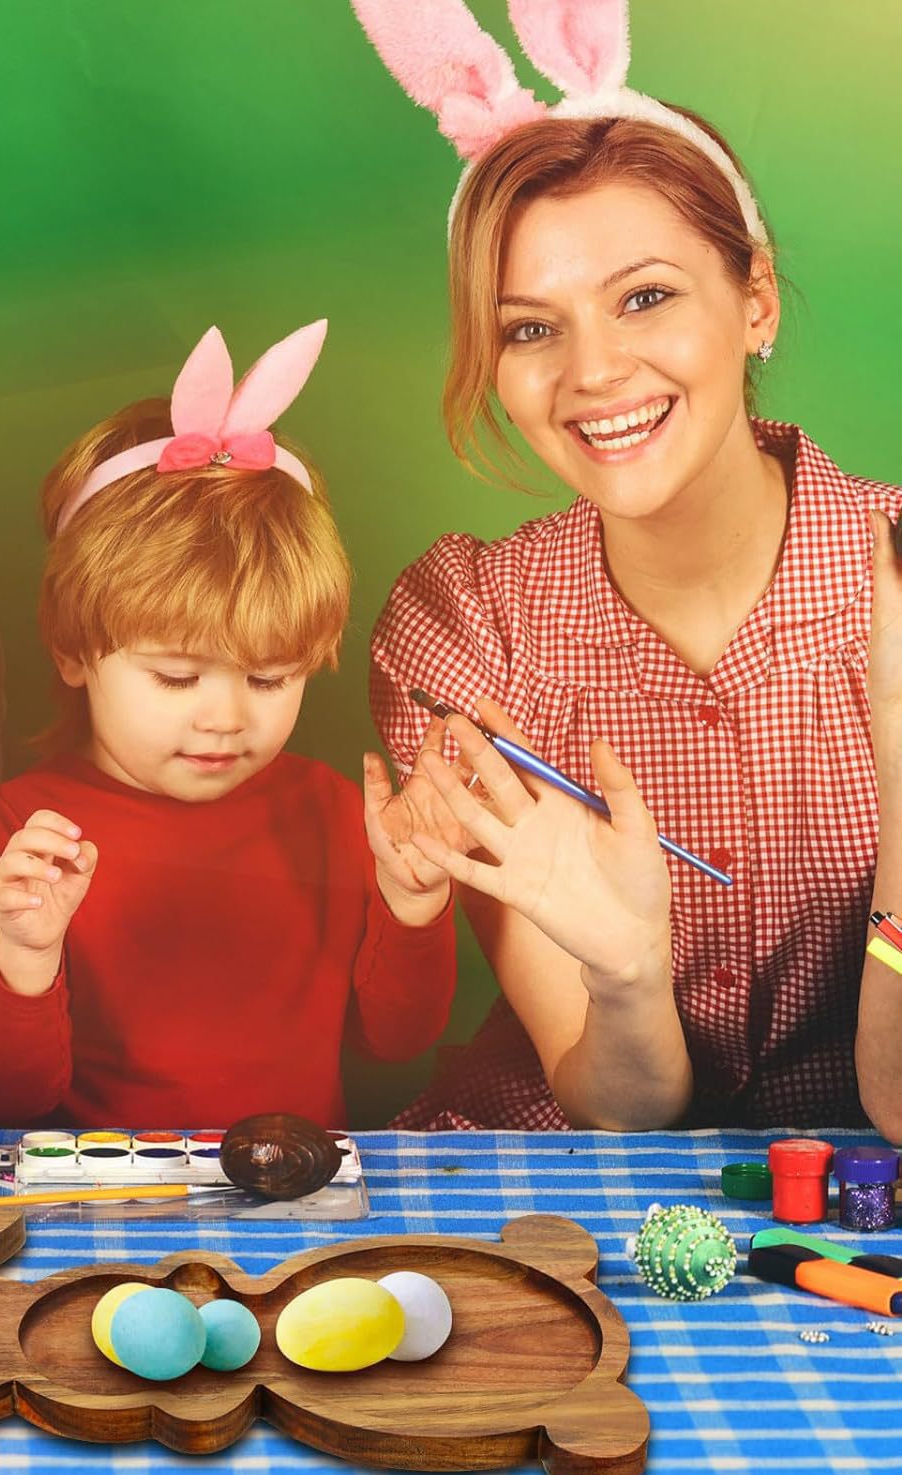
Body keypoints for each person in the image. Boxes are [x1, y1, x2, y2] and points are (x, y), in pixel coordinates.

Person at [353, 0, 902, 1134]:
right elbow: (618, 1104)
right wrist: (625, 974)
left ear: (755, 300)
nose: (594, 372)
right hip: (550, 1182)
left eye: (644, 297)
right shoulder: (467, 628)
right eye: (530, 328)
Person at [0, 321, 462, 1127]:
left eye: (269, 678)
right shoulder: (28, 833)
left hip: (293, 1188)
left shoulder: (330, 813)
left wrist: (413, 905)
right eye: (177, 677)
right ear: (74, 651)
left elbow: (395, 1043)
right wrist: (26, 955)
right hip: (102, 1194)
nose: (226, 718)